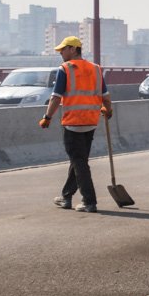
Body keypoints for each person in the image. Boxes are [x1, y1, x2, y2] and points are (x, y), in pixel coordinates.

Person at [38, 35, 113, 213]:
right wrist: (107, 110)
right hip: (91, 122)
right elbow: (106, 97)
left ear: (73, 49)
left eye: (63, 49)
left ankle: (89, 201)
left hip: (73, 123)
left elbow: (56, 97)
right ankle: (66, 196)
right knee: (79, 160)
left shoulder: (66, 69)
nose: (61, 53)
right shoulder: (95, 69)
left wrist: (47, 117)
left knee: (79, 162)